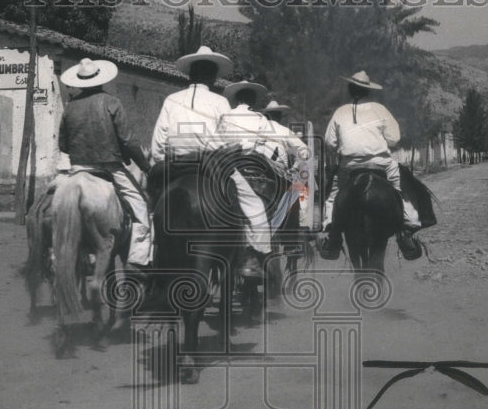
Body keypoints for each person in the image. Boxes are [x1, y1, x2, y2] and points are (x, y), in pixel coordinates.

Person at [149, 47, 272, 277]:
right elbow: (228, 141)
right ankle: (253, 258)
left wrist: (163, 162)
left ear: (190, 74)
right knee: (254, 206)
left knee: (148, 208)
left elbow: (157, 144)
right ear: (213, 77)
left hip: (175, 165)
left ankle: (145, 255)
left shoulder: (170, 100)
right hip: (212, 164)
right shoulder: (219, 102)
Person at [58, 58, 153, 272]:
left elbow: (63, 145)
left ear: (80, 81)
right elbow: (128, 140)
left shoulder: (70, 107)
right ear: (101, 80)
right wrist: (144, 165)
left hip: (78, 169)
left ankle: (59, 255)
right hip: (110, 167)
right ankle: (138, 259)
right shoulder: (112, 102)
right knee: (141, 207)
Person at [318, 70, 421, 260]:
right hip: (380, 164)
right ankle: (407, 230)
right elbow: (394, 138)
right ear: (368, 91)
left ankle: (331, 234)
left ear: (350, 89)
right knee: (401, 190)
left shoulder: (340, 112)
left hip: (349, 166)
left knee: (333, 194)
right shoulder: (380, 109)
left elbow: (329, 142)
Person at [262, 99, 310, 229]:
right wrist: (294, 168)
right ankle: (291, 241)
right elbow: (304, 151)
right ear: (279, 116)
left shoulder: (258, 128)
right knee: (292, 201)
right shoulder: (284, 131)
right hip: (277, 170)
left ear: (267, 115)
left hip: (256, 166)